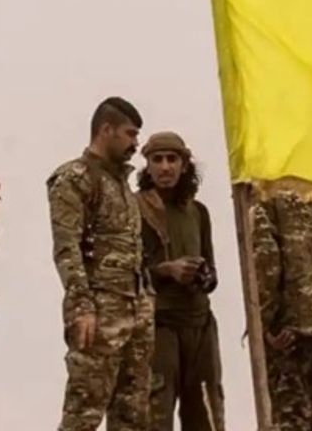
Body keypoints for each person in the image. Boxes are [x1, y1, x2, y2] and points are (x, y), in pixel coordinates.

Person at [47, 97, 154, 431]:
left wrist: (147, 301)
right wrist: (82, 306)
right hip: (99, 313)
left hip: (135, 312)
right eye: (130, 134)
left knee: (133, 415)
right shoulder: (75, 179)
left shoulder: (121, 184)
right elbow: (67, 248)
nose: (135, 144)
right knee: (84, 413)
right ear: (106, 130)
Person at [136, 132, 225, 430]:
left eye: (172, 159)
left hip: (199, 327)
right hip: (158, 326)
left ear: (184, 165)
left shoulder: (198, 212)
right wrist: (166, 270)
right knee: (155, 417)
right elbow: (125, 274)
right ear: (148, 166)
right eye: (157, 160)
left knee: (206, 416)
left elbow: (212, 272)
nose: (165, 167)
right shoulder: (135, 210)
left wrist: (203, 275)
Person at [252, 188, 312, 431]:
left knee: (290, 417)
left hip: (286, 327)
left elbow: (266, 260)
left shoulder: (265, 197)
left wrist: (264, 323)